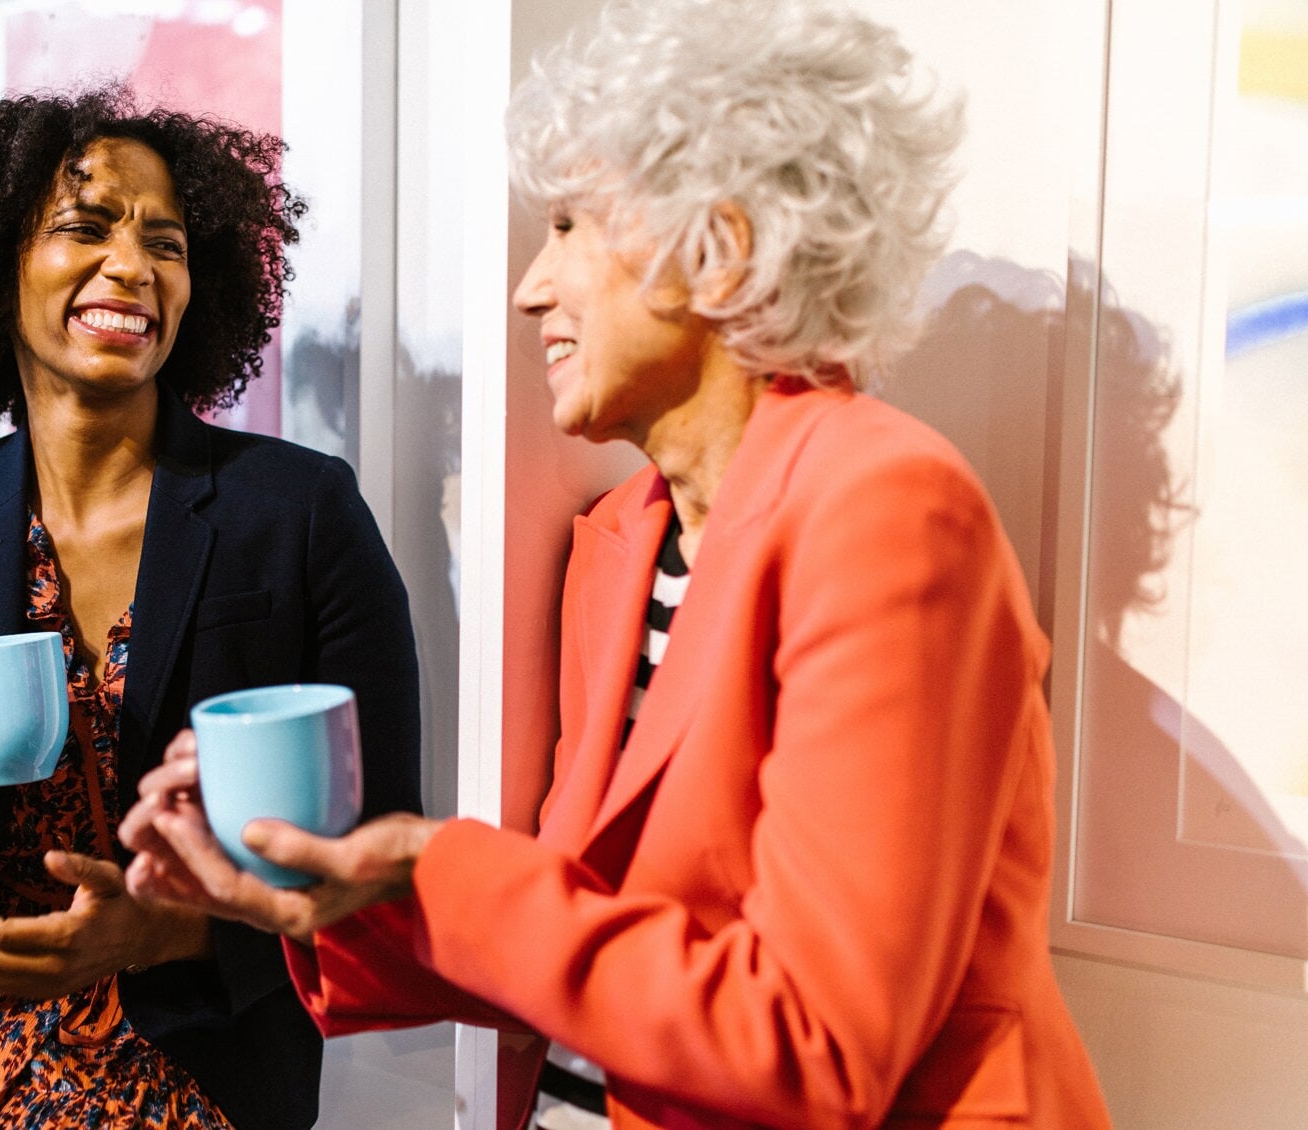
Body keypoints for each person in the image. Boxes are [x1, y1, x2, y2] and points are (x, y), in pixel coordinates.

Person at [119, 1, 1113, 1126]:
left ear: (719, 246)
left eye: (570, 227)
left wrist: (439, 861)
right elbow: (584, 942)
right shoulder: (621, 540)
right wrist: (297, 886)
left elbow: (817, 1046)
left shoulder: (889, 508)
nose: (529, 286)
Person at [0, 88, 420, 1130]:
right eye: (84, 226)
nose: (133, 265)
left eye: (167, 241)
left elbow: (383, 864)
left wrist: (156, 931)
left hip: (173, 1052)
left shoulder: (298, 514)